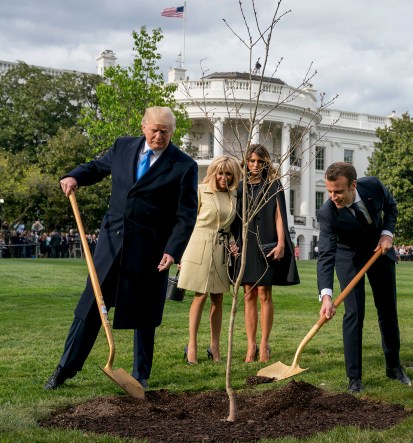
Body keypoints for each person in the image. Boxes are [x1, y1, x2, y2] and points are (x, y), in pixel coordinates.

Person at [44, 106, 198, 391]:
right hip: (111, 245)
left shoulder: (184, 166)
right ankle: (64, 369)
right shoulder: (122, 147)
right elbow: (96, 167)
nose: (159, 136)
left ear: (172, 132)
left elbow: (186, 215)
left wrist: (172, 250)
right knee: (90, 308)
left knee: (145, 315)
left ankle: (140, 375)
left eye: (165, 131)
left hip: (150, 251)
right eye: (154, 130)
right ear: (143, 127)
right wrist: (74, 176)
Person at [317, 162, 411, 394]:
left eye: (338, 191)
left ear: (353, 185)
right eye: (329, 191)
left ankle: (393, 367)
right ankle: (354, 378)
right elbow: (326, 255)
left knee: (387, 310)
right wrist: (326, 296)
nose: (333, 197)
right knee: (354, 313)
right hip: (348, 257)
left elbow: (391, 207)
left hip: (380, 251)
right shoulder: (327, 213)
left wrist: (387, 233)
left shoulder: (374, 186)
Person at [231, 144, 299, 363]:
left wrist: (281, 243)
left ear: (266, 163)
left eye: (260, 161)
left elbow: (280, 216)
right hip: (245, 243)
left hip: (267, 242)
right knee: (248, 293)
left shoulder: (273, 185)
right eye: (251, 161)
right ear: (246, 162)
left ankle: (264, 344)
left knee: (264, 293)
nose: (255, 165)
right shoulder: (239, 187)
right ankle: (251, 346)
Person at [178, 155, 241, 364]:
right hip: (198, 245)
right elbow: (186, 222)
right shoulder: (199, 190)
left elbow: (229, 226)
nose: (224, 177)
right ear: (213, 172)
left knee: (218, 297)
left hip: (221, 249)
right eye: (221, 173)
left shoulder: (234, 196)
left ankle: (214, 346)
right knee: (200, 295)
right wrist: (179, 251)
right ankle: (192, 344)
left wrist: (232, 242)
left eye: (228, 173)